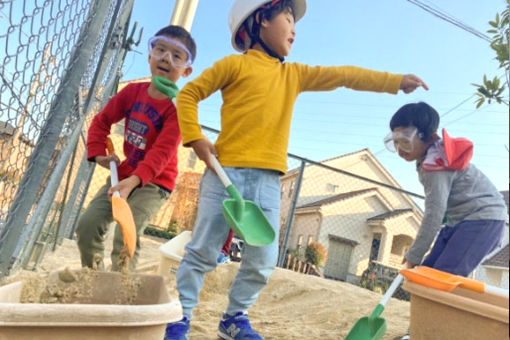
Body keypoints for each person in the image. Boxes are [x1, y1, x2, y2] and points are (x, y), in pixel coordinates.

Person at [165, 1, 428, 339]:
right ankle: (180, 316)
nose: (294, 28)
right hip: (223, 172)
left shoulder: (293, 75)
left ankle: (234, 318)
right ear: (261, 20)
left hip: (268, 180)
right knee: (202, 248)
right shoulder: (233, 65)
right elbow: (188, 96)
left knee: (262, 258)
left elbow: (343, 75)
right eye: (287, 18)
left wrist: (392, 81)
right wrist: (195, 138)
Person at [75, 25, 195, 272]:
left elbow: (161, 153)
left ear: (186, 70)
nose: (166, 58)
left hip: (155, 182)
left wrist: (135, 181)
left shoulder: (179, 109)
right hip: (125, 173)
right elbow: (101, 121)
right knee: (88, 225)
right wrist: (98, 152)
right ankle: (94, 278)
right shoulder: (132, 93)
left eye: (176, 56)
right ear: (150, 55)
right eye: (160, 49)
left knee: (125, 234)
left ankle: (121, 290)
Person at [385, 102, 506, 340]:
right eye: (395, 141)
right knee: (427, 274)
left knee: (442, 278)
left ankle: (432, 335)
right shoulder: (429, 159)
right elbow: (440, 214)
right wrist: (419, 259)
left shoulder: (436, 165)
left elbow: (433, 213)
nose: (400, 148)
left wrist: (413, 254)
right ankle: (419, 333)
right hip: (460, 221)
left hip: (483, 221)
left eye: (405, 140)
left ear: (429, 137)